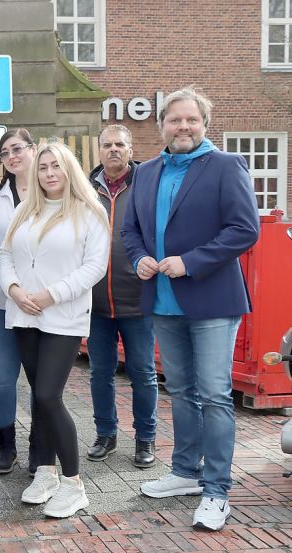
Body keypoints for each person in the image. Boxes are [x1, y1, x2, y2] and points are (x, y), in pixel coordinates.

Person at [123, 87, 260, 531]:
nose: (183, 127)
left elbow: (245, 229)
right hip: (162, 301)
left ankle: (217, 489)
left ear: (204, 124)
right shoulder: (145, 172)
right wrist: (139, 257)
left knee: (216, 394)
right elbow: (131, 231)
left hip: (212, 300)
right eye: (175, 120)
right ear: (161, 124)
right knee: (181, 391)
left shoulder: (225, 166)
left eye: (192, 120)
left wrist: (190, 262)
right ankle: (185, 472)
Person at [0, 142, 109, 519]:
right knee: (38, 396)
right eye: (42, 167)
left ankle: (74, 484)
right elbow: (6, 254)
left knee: (48, 396)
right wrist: (13, 289)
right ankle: (44, 472)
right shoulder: (23, 210)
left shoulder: (89, 212)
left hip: (62, 316)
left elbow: (94, 267)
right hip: (24, 313)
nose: (48, 173)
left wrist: (51, 295)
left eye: (55, 166)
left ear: (69, 170)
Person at [85, 125, 158, 468]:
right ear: (98, 150)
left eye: (120, 144)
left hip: (138, 300)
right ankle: (105, 434)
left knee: (142, 373)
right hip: (96, 302)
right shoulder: (85, 190)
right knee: (100, 373)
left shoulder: (147, 186)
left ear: (130, 149)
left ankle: (145, 439)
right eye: (107, 145)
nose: (113, 149)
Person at [0, 128, 36, 476]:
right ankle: (6, 446)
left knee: (40, 380)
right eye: (5, 153)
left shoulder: (53, 188)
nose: (12, 156)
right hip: (0, 301)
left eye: (17, 149)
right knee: (1, 379)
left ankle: (40, 445)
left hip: (40, 303)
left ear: (33, 149)